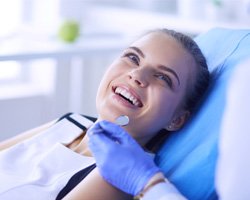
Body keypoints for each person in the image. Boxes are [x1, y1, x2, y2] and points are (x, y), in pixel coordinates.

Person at [0, 28, 209, 200]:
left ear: (176, 119)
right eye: (133, 57)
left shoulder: (119, 175)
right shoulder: (70, 122)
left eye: (163, 77)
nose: (137, 74)